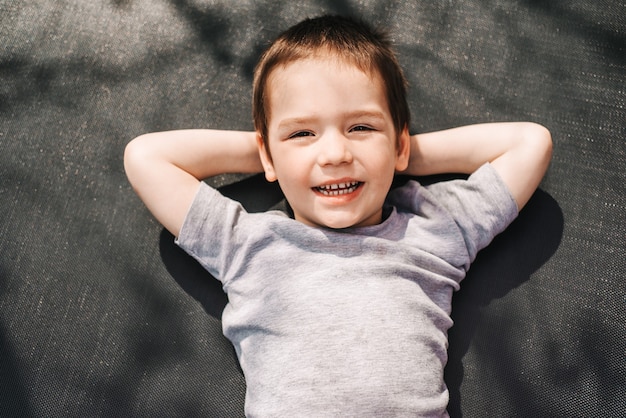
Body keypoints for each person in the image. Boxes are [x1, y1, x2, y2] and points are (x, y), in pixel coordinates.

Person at [124, 15, 552, 418]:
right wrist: (273, 155)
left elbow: (530, 144)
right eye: (303, 133)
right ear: (267, 152)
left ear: (399, 145)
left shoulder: (435, 229)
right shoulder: (246, 245)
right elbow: (146, 157)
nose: (334, 154)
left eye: (361, 128)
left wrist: (397, 155)